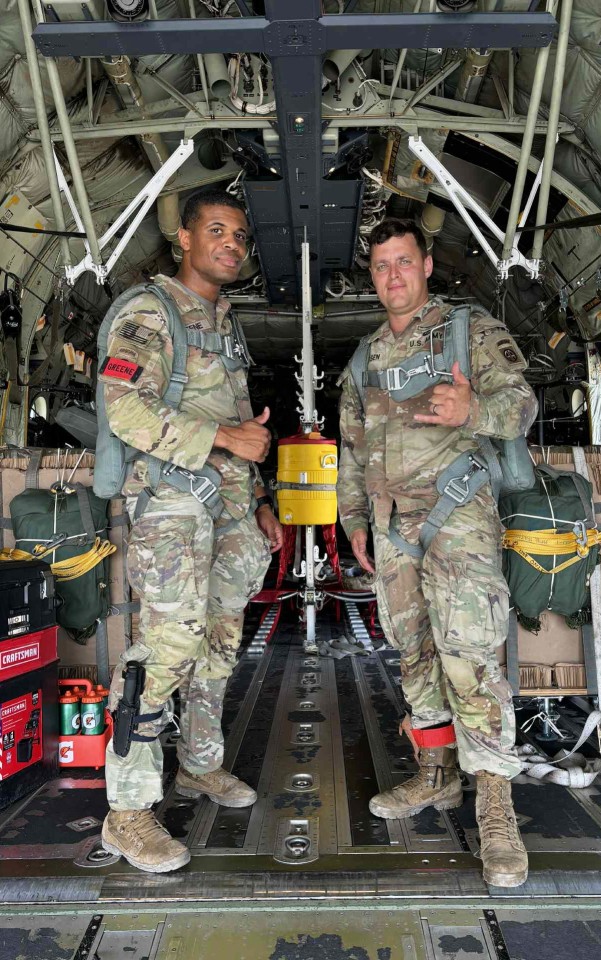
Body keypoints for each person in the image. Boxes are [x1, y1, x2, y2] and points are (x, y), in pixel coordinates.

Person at [337, 218, 538, 888]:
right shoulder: (365, 358)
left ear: (426, 265)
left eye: (403, 262)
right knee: (416, 656)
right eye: (380, 267)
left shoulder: (465, 330)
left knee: (471, 659)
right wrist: (355, 520)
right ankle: (436, 776)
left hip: (457, 520)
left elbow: (521, 404)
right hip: (393, 530)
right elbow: (351, 448)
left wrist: (472, 407)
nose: (393, 277)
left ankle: (496, 804)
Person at [100, 188, 283, 873]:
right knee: (166, 648)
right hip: (172, 502)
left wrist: (258, 496)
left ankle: (199, 765)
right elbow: (127, 413)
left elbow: (245, 424)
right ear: (184, 238)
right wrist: (224, 438)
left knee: (218, 641)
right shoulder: (151, 312)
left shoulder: (224, 321)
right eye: (217, 230)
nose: (232, 243)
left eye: (239, 235)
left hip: (229, 506)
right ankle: (127, 811)